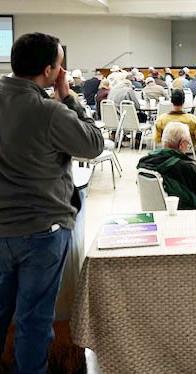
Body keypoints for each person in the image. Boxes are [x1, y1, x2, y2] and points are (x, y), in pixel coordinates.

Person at [0, 32, 104, 373]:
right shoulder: (48, 112)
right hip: (42, 230)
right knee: (33, 319)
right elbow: (92, 144)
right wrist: (69, 98)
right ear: (49, 71)